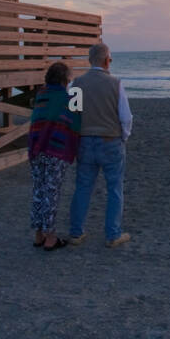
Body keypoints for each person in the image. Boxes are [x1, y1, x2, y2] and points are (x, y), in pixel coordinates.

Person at [68, 41, 133, 248]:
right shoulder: (115, 83)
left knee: (83, 188)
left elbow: (72, 114)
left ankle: (76, 233)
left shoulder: (77, 84)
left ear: (90, 61)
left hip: (85, 141)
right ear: (107, 60)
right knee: (114, 188)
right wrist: (123, 136)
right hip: (110, 140)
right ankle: (112, 234)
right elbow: (126, 117)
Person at [28, 61, 81, 251]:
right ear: (64, 80)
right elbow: (74, 123)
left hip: (36, 148)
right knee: (51, 192)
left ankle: (38, 234)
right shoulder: (66, 98)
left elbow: (39, 120)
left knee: (38, 190)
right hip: (54, 150)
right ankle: (50, 238)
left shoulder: (41, 95)